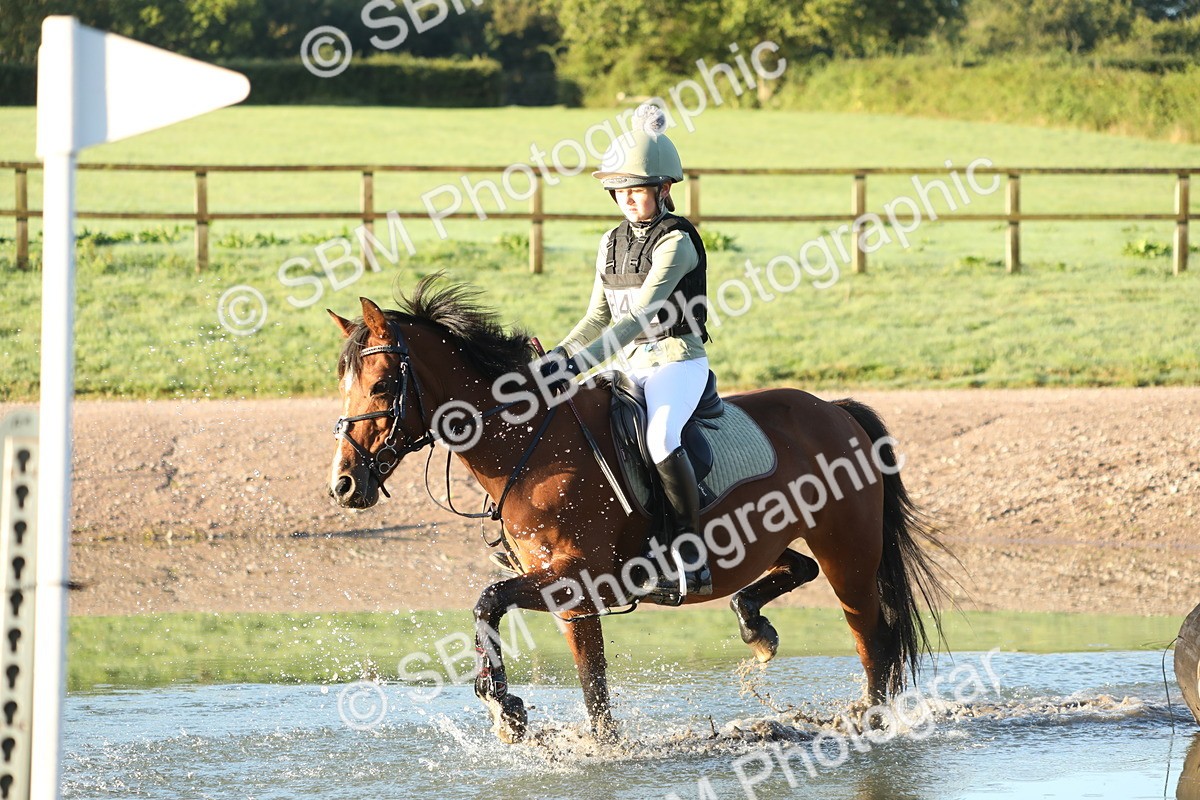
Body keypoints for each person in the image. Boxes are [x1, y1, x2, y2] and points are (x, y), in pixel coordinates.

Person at [540, 103, 713, 600]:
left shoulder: (676, 242)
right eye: (622, 191)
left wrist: (578, 364)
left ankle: (689, 552)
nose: (629, 200)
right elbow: (597, 317)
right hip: (627, 365)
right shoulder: (610, 243)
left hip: (676, 361)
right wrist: (555, 357)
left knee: (660, 440)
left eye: (638, 190)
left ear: (664, 190)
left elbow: (637, 318)